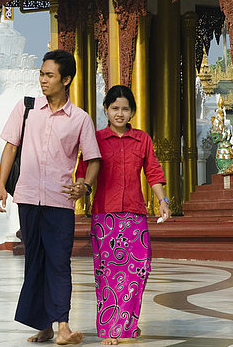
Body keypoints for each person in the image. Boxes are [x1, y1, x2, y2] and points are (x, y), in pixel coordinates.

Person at [0, 49, 102, 345]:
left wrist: (85, 186)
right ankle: (44, 325)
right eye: (41, 74)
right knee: (35, 261)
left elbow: (93, 159)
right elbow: (11, 147)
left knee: (58, 262)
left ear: (66, 79)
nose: (43, 80)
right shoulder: (26, 108)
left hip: (59, 202)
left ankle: (63, 325)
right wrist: (1, 186)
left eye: (49, 75)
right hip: (27, 197)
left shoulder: (79, 119)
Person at [76, 85, 170, 345]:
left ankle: (127, 323)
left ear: (132, 112)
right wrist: (79, 189)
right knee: (107, 273)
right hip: (104, 215)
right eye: (115, 108)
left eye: (125, 109)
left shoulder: (143, 139)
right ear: (106, 109)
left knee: (137, 271)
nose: (120, 113)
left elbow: (153, 172)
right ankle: (111, 329)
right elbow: (83, 169)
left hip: (135, 215)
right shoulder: (95, 139)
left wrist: (162, 200)